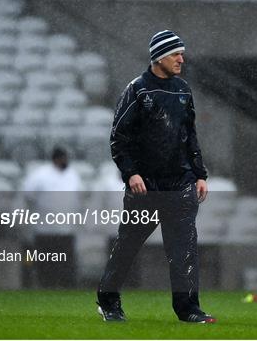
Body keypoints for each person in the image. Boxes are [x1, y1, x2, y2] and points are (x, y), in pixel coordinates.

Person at [96, 30, 215, 323]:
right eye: (175, 54)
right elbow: (118, 138)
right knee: (128, 245)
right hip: (145, 187)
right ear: (159, 56)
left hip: (180, 184)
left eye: (182, 53)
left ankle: (188, 309)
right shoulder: (137, 90)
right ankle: (108, 300)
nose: (181, 59)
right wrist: (131, 173)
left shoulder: (183, 90)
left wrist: (199, 174)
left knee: (184, 248)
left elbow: (190, 137)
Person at [21, 146, 82, 288]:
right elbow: (28, 196)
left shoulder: (72, 175)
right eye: (62, 158)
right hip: (45, 230)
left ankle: (65, 289)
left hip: (66, 230)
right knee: (46, 264)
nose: (65, 161)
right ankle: (46, 286)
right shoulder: (40, 175)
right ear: (56, 158)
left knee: (66, 264)